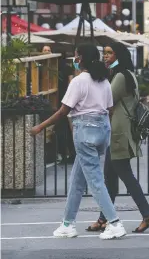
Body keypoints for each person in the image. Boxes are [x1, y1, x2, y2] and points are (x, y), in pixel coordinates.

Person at [30, 44, 126, 239]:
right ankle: (67, 223)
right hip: (102, 131)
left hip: (85, 131)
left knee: (96, 181)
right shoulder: (104, 81)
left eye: (75, 56)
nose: (74, 59)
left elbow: (63, 110)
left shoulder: (78, 81)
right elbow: (110, 109)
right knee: (77, 179)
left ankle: (114, 222)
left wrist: (40, 127)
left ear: (80, 58)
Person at [87, 42, 149, 233]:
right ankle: (103, 218)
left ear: (118, 55)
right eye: (105, 53)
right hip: (120, 132)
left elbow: (106, 102)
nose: (106, 56)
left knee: (125, 175)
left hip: (118, 132)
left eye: (109, 53)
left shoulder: (119, 76)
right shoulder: (129, 74)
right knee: (110, 177)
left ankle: (147, 215)